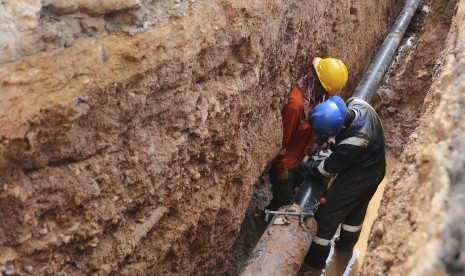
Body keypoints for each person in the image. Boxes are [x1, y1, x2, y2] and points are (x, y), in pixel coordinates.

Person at [299, 96, 386, 269]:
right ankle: (345, 247)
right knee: (356, 211)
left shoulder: (355, 141)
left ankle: (314, 262)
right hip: (376, 168)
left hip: (358, 179)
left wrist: (304, 166)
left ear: (343, 128)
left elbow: (326, 169)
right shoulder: (357, 103)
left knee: (326, 215)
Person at [269, 57, 349, 209]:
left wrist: (313, 146)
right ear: (318, 82)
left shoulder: (315, 97)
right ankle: (266, 218)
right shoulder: (296, 106)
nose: (328, 95)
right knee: (284, 203)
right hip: (286, 163)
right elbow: (281, 143)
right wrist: (281, 169)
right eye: (327, 91)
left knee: (297, 185)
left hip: (299, 159)